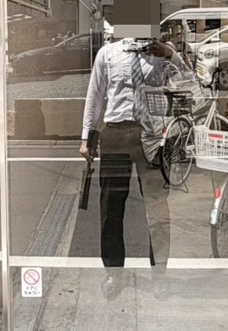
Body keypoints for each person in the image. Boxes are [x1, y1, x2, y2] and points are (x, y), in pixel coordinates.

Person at [81, 34, 190, 299]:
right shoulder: (108, 53)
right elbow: (95, 95)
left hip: (152, 134)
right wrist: (87, 136)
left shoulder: (162, 51)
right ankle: (113, 272)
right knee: (110, 207)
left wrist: (170, 54)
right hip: (116, 133)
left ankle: (159, 273)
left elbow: (188, 82)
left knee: (157, 207)